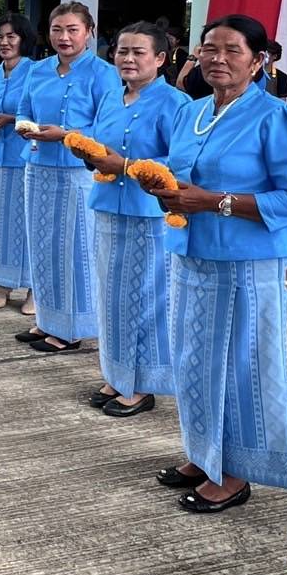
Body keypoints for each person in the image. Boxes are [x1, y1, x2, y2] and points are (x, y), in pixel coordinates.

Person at [138, 13, 287, 514]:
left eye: (232, 50)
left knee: (242, 365)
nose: (217, 59)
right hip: (191, 255)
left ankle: (238, 471)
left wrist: (216, 202)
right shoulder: (191, 112)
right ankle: (205, 452)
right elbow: (182, 182)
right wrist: (165, 193)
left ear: (259, 60)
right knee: (195, 359)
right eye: (209, 49)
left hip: (247, 263)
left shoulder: (278, 117)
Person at [70, 21, 188, 417]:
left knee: (146, 297)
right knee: (111, 296)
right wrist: (89, 155)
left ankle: (143, 383)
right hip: (107, 206)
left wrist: (127, 165)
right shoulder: (110, 98)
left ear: (160, 58)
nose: (129, 59)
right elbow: (101, 147)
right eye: (123, 51)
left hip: (148, 213)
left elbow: (184, 163)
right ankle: (117, 374)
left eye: (139, 52)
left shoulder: (175, 104)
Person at [13, 2, 121, 352]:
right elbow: (23, 108)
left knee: (74, 248)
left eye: (73, 29)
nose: (64, 37)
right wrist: (24, 126)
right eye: (57, 29)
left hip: (78, 173)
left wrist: (66, 134)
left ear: (89, 32)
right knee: (42, 246)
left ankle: (73, 327)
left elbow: (108, 127)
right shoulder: (38, 69)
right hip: (39, 166)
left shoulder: (103, 73)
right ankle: (47, 318)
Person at [0, 14, 37, 310]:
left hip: (24, 158)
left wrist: (11, 120)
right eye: (0, 36)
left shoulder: (35, 73)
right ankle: (2, 284)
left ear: (23, 39)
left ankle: (32, 289)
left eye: (11, 36)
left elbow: (39, 115)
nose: (5, 42)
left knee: (25, 223)